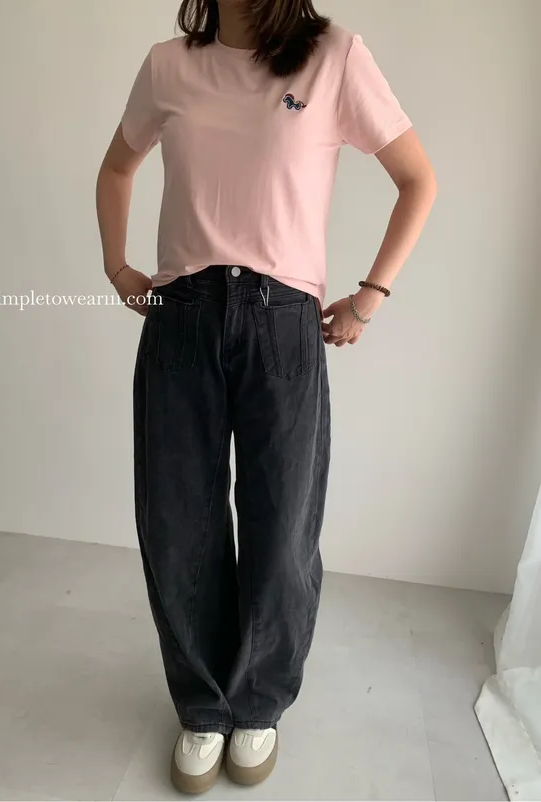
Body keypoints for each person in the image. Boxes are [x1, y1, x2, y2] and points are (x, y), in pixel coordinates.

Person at [96, 0, 436, 793]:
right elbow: (117, 167)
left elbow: (417, 178)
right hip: (181, 316)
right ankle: (203, 705)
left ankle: (258, 702)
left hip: (283, 322)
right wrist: (118, 267)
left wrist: (370, 296)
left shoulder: (334, 56)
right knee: (178, 524)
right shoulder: (169, 65)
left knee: (282, 529)